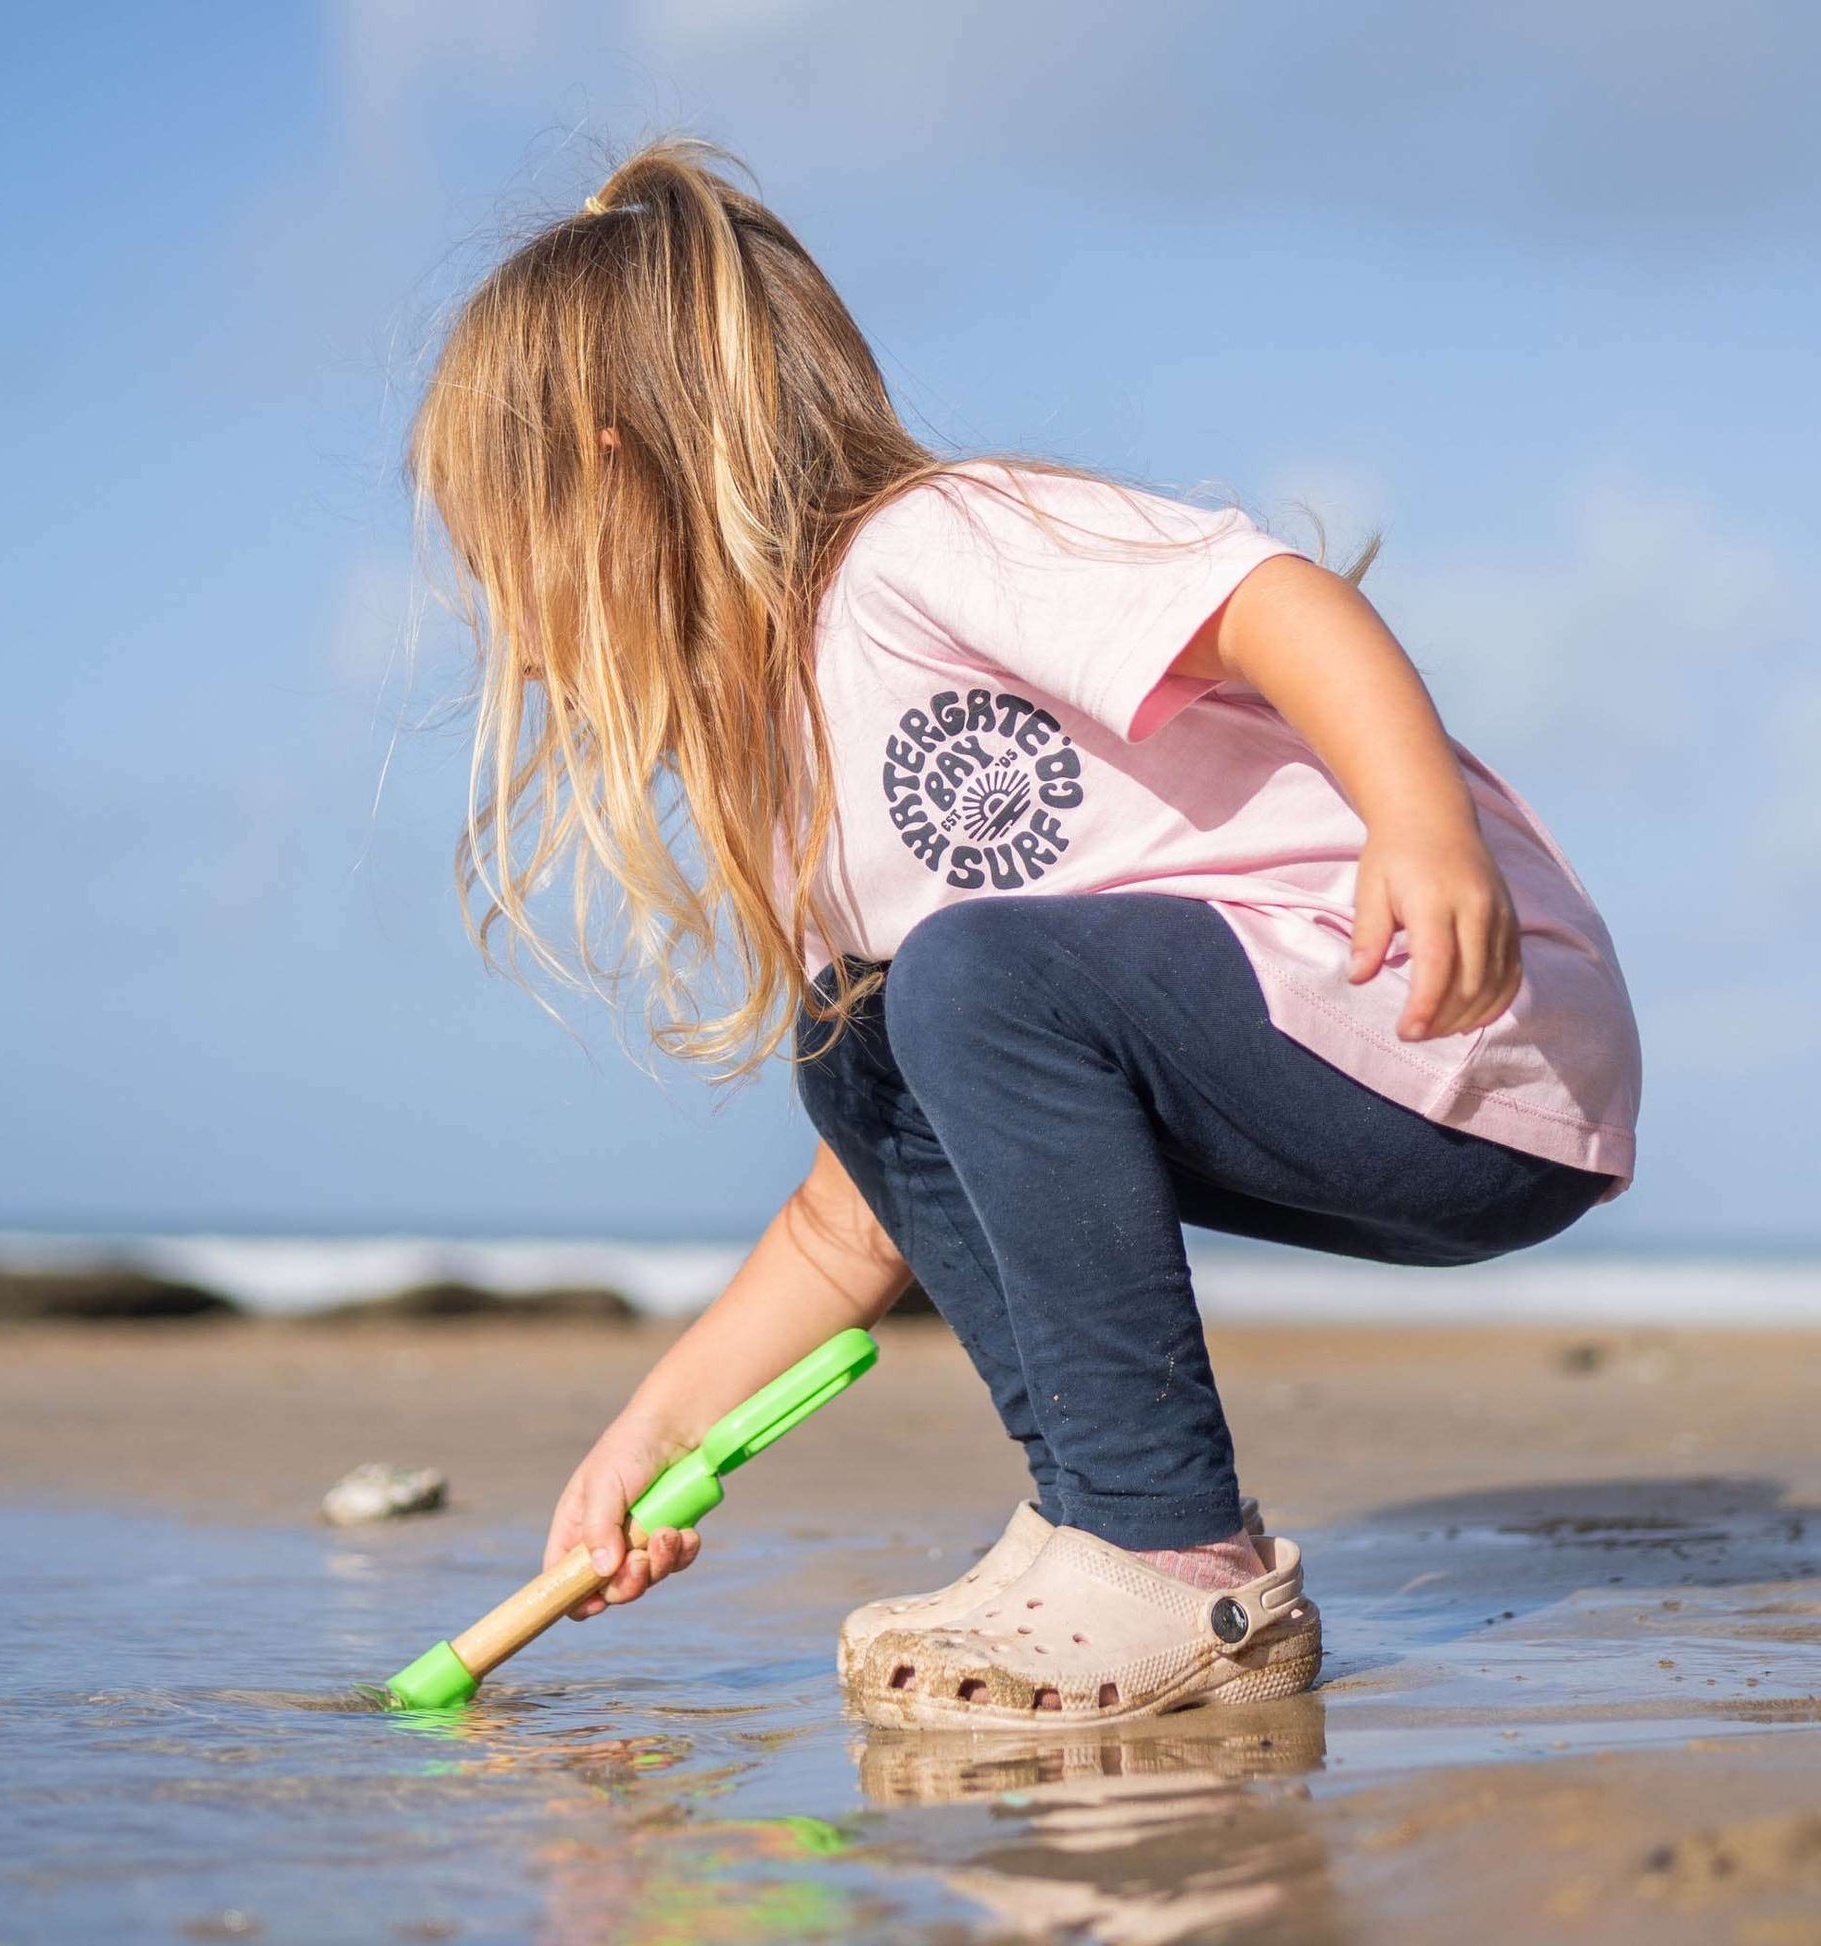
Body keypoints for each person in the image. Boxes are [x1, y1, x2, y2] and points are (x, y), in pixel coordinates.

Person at [408, 139, 1639, 1726]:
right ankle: (1093, 1524)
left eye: (493, 531)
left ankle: (1166, 1541)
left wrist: (1419, 822)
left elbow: (1275, 601)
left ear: (609, 466)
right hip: (1324, 1074)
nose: (494, 596)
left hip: (1460, 1017)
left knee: (965, 974)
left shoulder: (930, 548)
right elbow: (857, 1216)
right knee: (853, 1037)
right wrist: (652, 1433)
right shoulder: (796, 786)